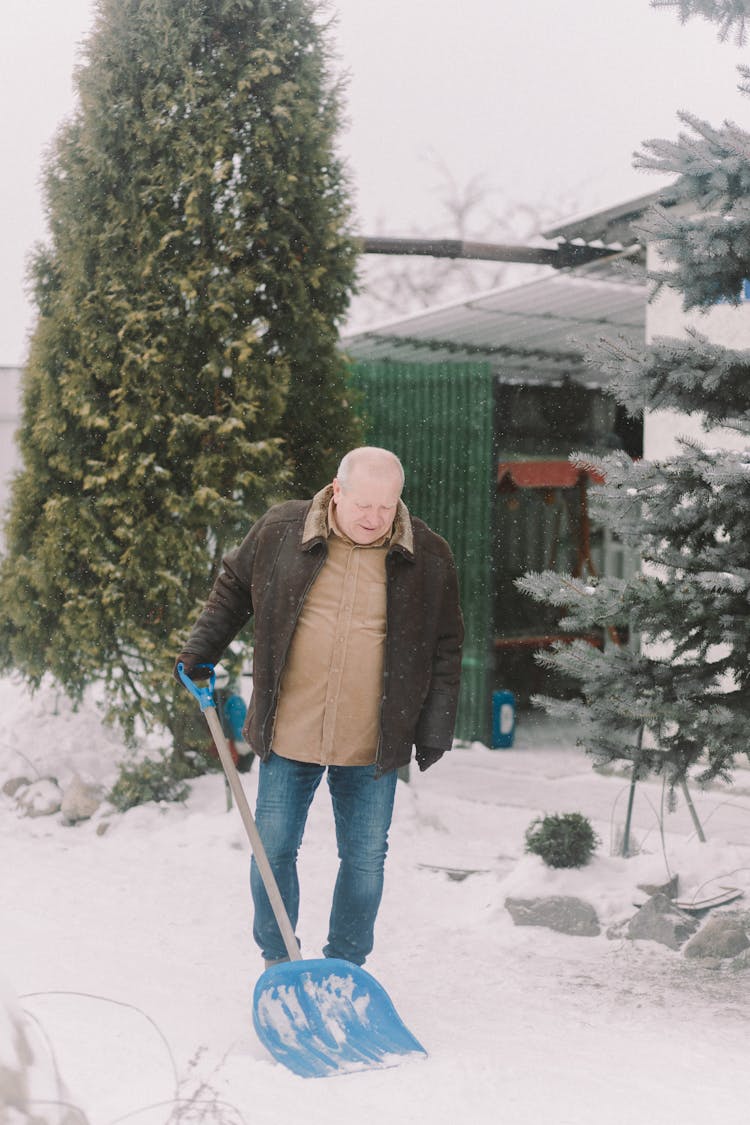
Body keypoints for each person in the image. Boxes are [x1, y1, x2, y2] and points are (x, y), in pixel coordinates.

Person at [175, 446, 463, 968]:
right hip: (291, 728)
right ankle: (279, 958)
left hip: (372, 736)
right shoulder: (282, 530)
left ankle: (346, 965)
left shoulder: (429, 555)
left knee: (365, 859)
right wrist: (200, 651)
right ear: (337, 491)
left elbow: (446, 644)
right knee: (273, 850)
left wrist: (435, 727)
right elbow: (234, 587)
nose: (376, 519)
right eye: (364, 506)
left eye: (387, 507)